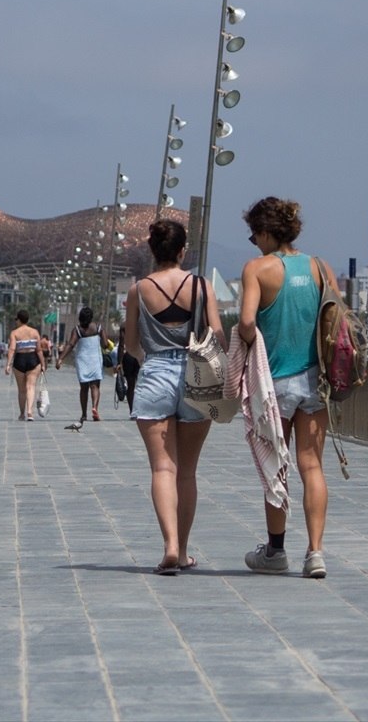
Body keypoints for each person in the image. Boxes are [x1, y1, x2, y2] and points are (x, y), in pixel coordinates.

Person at [235, 196, 338, 579]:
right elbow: (336, 322)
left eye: (254, 235)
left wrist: (252, 339)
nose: (254, 242)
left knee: (276, 468)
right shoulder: (320, 268)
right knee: (312, 465)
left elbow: (246, 323)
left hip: (274, 383)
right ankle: (315, 552)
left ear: (265, 232)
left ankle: (276, 551)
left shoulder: (258, 269)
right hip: (315, 381)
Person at [123, 218, 221, 576]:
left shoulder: (138, 290)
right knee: (188, 471)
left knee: (163, 467)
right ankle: (183, 552)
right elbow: (217, 333)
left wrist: (149, 355)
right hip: (197, 376)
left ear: (153, 251)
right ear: (182, 252)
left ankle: (169, 547)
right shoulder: (201, 285)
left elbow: (132, 343)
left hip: (155, 374)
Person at [63, 305, 105, 422]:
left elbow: (71, 345)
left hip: (82, 360)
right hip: (95, 359)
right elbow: (106, 344)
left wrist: (60, 358)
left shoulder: (77, 330)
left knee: (84, 388)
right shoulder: (98, 327)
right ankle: (95, 407)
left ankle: (83, 414)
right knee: (95, 386)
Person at [4, 310, 43, 420]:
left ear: (20, 320)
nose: (16, 322)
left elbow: (12, 349)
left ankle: (22, 414)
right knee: (31, 387)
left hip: (19, 360)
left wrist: (8, 364)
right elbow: (39, 350)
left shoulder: (14, 333)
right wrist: (43, 364)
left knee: (21, 390)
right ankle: (30, 412)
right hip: (33, 359)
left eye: (16, 319)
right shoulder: (35, 332)